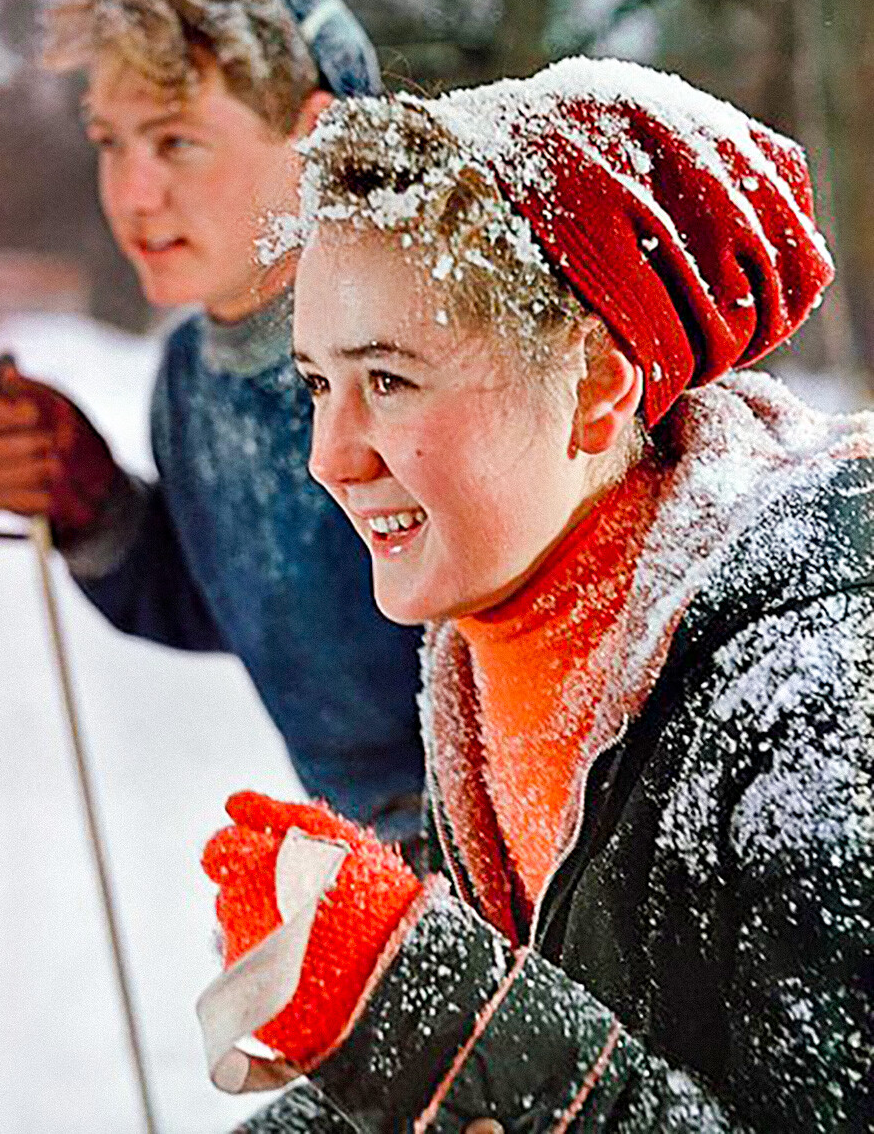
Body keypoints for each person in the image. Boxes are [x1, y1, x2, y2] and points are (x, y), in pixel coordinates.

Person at [200, 58, 873, 1132]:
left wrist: (413, 1005)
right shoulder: (497, 638)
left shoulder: (822, 706)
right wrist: (372, 1007)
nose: (328, 455)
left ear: (598, 388)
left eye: (390, 378)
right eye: (319, 381)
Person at [0, 0, 425, 842]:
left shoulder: (422, 350)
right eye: (113, 143)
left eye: (177, 139)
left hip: (531, 858)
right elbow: (247, 603)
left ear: (319, 138)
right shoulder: (189, 378)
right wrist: (97, 507)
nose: (134, 193)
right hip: (369, 854)